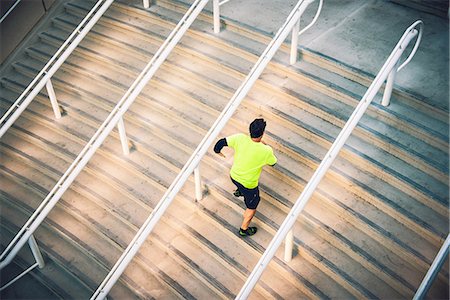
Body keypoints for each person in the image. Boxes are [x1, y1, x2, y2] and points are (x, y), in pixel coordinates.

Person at [213, 118, 277, 237]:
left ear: (250, 130)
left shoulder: (240, 138)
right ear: (262, 133)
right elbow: (273, 163)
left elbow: (220, 143)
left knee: (239, 184)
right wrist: (265, 146)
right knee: (252, 206)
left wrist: (218, 152)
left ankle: (239, 191)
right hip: (249, 184)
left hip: (234, 175)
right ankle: (244, 229)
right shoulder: (266, 151)